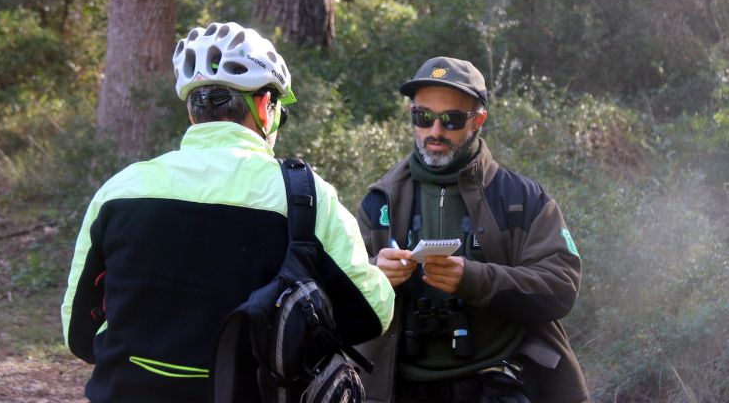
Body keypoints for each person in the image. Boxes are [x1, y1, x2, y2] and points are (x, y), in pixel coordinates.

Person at [60, 21, 395, 403]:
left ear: (193, 111)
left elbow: (78, 333)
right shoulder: (304, 195)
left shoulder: (119, 190)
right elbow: (371, 314)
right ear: (267, 108)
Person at [355, 56, 589, 403]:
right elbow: (336, 292)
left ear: (478, 120)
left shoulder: (520, 199)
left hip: (496, 381)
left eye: (451, 119)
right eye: (423, 117)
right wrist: (375, 273)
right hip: (398, 387)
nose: (435, 131)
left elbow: (561, 285)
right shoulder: (379, 201)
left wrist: (475, 280)